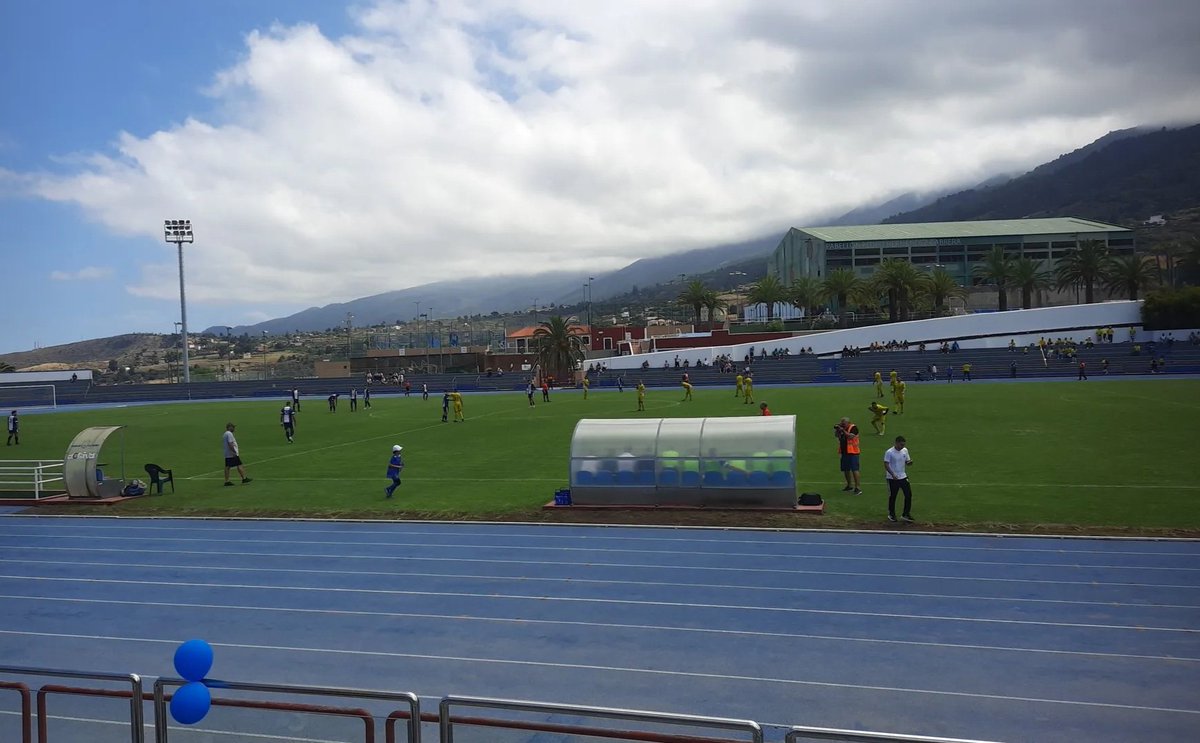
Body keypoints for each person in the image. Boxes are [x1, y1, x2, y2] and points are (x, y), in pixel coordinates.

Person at [884, 436, 914, 523]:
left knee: (908, 495)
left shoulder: (905, 450)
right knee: (893, 496)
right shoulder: (889, 452)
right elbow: (886, 464)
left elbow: (907, 461)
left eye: (903, 445)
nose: (902, 447)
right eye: (901, 445)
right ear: (896, 443)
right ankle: (891, 514)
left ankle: (905, 514)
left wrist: (909, 463)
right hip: (892, 478)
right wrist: (892, 474)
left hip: (903, 476)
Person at [835, 417, 862, 494]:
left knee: (854, 469)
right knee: (846, 469)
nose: (842, 425)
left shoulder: (853, 428)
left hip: (853, 452)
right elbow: (836, 436)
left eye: (844, 424)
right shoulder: (842, 428)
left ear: (848, 423)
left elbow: (850, 436)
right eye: (841, 424)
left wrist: (843, 430)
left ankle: (858, 487)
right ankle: (849, 485)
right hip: (844, 452)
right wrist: (838, 430)